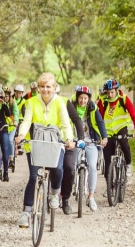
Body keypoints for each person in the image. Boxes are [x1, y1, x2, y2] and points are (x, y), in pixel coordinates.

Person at [14, 73, 76, 228]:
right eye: (42, 86)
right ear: (38, 88)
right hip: (35, 143)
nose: (45, 90)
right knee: (33, 176)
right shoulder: (31, 102)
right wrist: (21, 135)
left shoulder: (60, 103)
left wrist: (69, 139)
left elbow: (65, 123)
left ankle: (54, 194)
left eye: (48, 87)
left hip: (55, 143)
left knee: (58, 169)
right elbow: (26, 121)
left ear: (54, 87)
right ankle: (26, 212)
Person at [69, 86, 108, 211]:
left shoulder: (92, 108)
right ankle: (64, 195)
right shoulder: (71, 107)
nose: (83, 100)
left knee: (92, 166)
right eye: (81, 98)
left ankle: (91, 197)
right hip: (75, 141)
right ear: (77, 97)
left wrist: (104, 137)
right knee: (71, 166)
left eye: (85, 98)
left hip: (91, 141)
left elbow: (100, 122)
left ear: (88, 99)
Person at [97, 79, 135, 179]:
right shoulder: (103, 101)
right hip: (108, 130)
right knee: (107, 158)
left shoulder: (123, 99)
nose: (110, 95)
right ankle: (109, 184)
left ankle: (128, 164)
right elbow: (99, 118)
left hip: (121, 127)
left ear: (116, 90)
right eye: (108, 93)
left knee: (124, 144)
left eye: (112, 92)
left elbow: (134, 114)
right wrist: (99, 134)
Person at [54, 84, 85, 215]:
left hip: (68, 142)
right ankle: (51, 194)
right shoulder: (42, 104)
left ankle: (65, 199)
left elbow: (77, 120)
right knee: (54, 169)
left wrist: (80, 138)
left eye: (55, 94)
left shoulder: (65, 102)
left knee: (70, 169)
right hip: (52, 143)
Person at [3, 87, 19, 170]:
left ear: (9, 96)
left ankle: (11, 160)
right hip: (2, 126)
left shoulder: (13, 103)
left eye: (6, 96)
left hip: (11, 126)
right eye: (3, 96)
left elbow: (16, 113)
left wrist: (15, 121)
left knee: (10, 140)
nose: (5, 98)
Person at [13, 84, 26, 155]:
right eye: (17, 93)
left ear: (22, 94)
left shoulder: (23, 101)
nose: (18, 94)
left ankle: (19, 146)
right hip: (12, 118)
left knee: (19, 131)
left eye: (20, 93)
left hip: (20, 118)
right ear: (14, 92)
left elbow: (24, 111)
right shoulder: (11, 99)